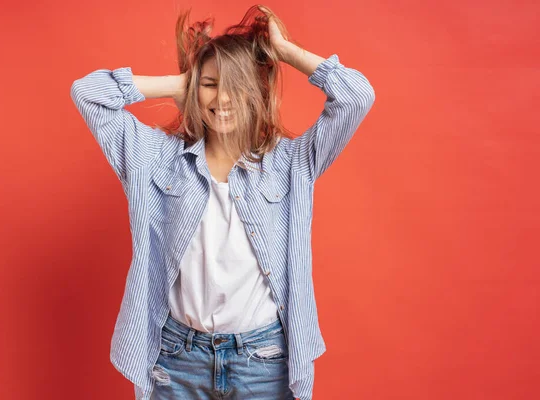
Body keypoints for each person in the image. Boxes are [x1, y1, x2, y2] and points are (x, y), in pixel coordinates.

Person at [70, 5, 375, 399]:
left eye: (237, 84)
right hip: (178, 358)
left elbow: (356, 96)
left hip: (263, 360)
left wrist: (283, 49)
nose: (223, 98)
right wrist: (182, 82)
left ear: (258, 92)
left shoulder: (291, 164)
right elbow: (88, 94)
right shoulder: (155, 158)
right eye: (211, 84)